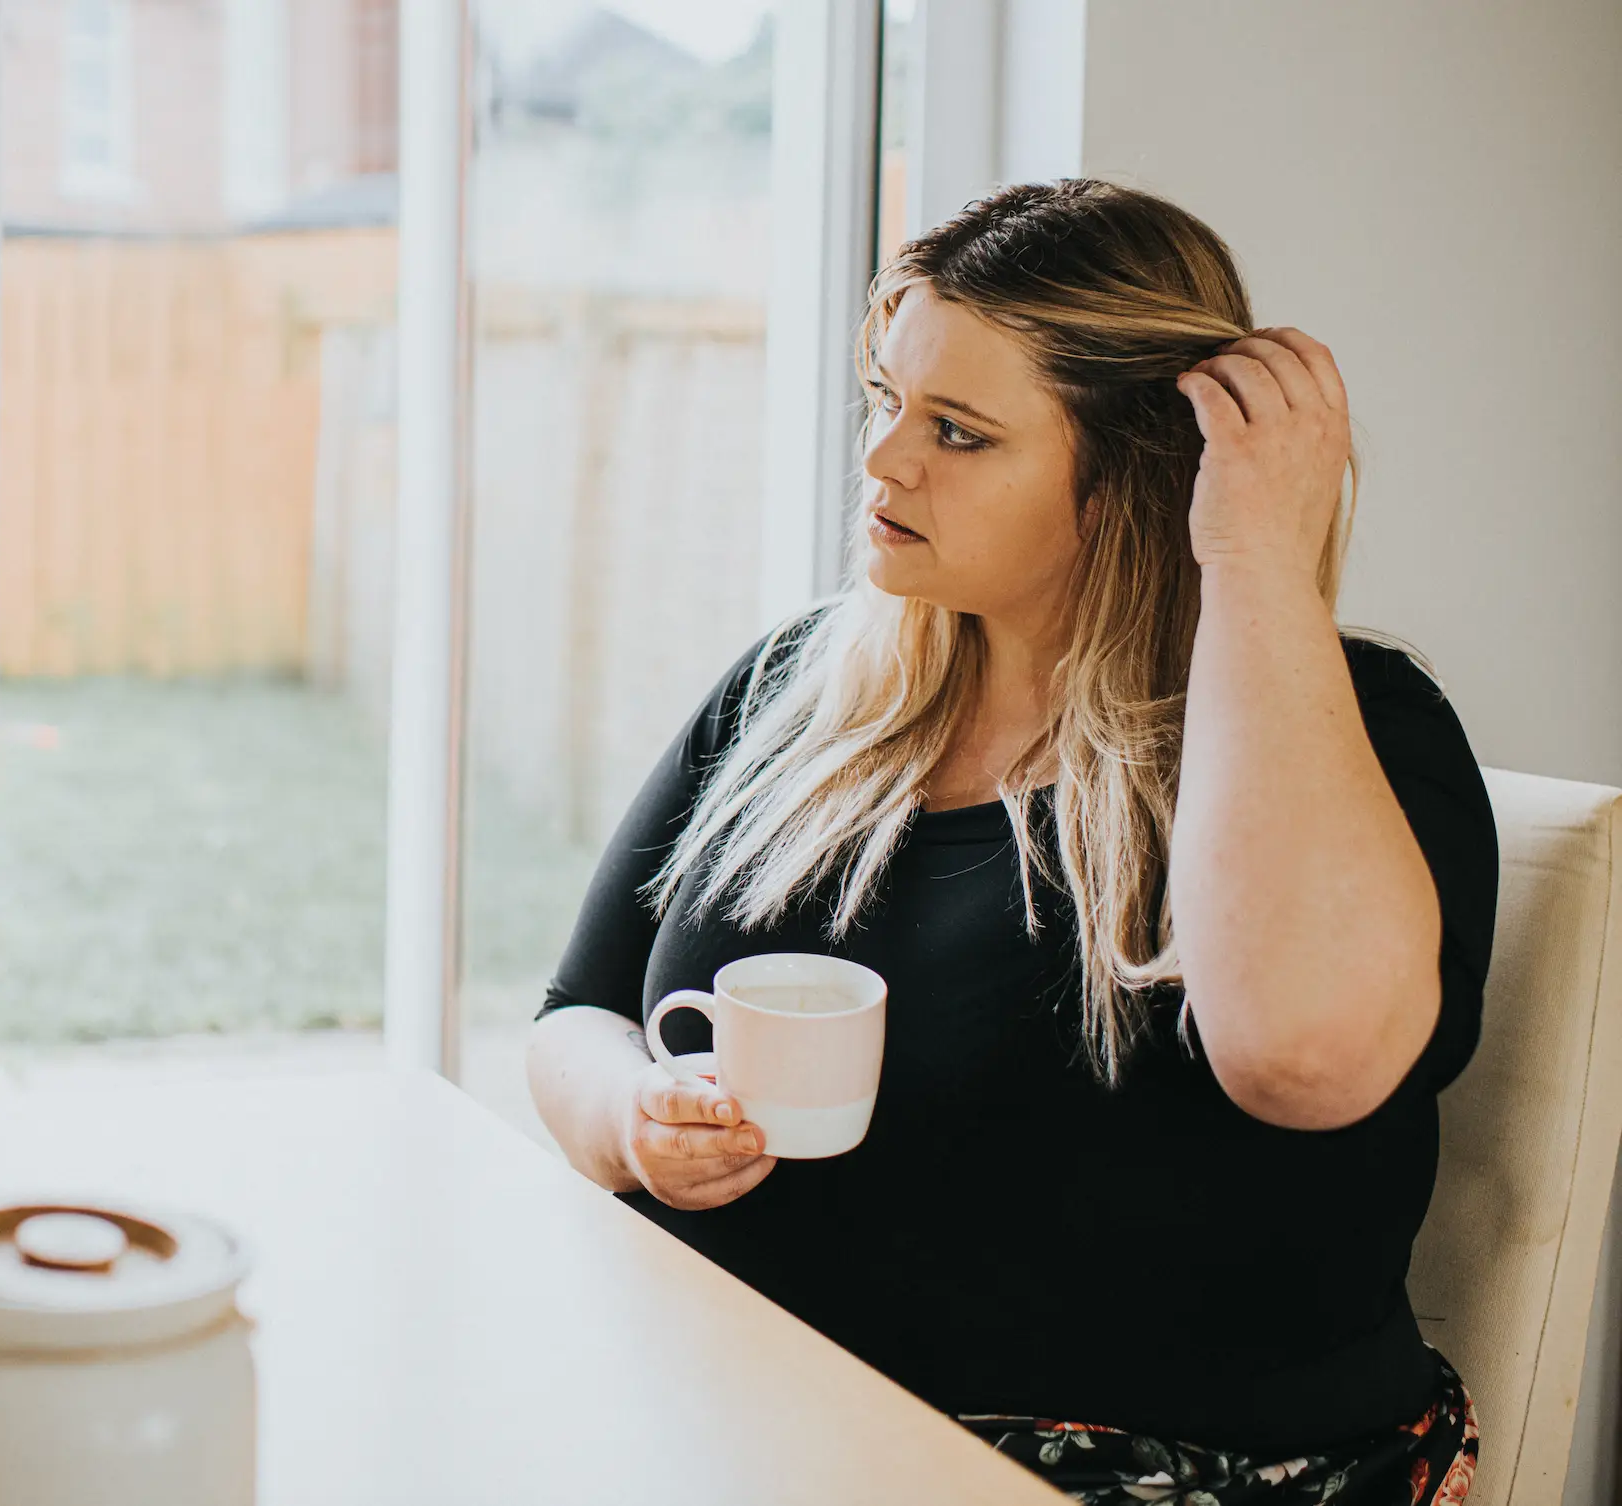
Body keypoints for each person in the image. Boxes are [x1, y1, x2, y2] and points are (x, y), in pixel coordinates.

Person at [526, 180, 1487, 1504]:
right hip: (746, 1417)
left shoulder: (1354, 729)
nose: (883, 460)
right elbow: (576, 1012)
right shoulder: (795, 685)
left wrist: (1257, 554)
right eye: (886, 399)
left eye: (960, 432)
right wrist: (637, 1121)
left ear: (1139, 472)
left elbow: (1304, 1062)